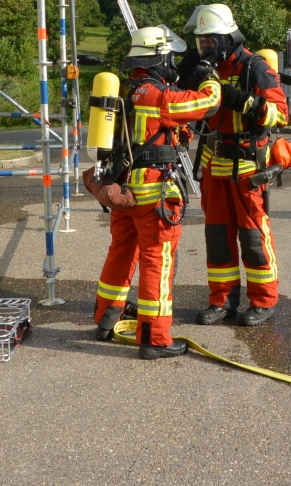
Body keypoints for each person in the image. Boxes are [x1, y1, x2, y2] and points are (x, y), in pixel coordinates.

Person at [90, 26, 221, 359]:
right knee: (157, 262)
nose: (173, 64)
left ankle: (106, 320)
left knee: (120, 253)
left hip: (125, 192)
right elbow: (208, 104)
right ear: (160, 57)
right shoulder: (157, 96)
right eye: (171, 57)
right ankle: (154, 338)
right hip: (154, 195)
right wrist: (210, 77)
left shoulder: (131, 90)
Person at [183, 3, 289, 327]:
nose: (206, 48)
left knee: (254, 238)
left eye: (211, 41)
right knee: (217, 239)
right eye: (202, 42)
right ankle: (222, 301)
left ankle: (263, 301)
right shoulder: (205, 68)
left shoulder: (253, 67)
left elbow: (282, 114)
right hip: (215, 165)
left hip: (248, 169)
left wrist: (243, 101)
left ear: (228, 38)